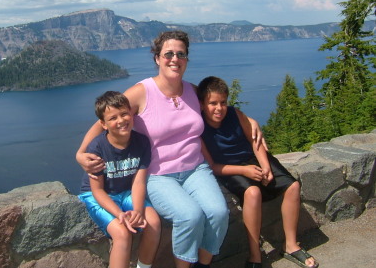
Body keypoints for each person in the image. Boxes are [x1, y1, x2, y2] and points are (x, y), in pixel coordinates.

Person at [77, 31, 263, 268]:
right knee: (189, 216)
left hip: (196, 169)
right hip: (157, 175)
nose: (175, 59)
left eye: (181, 54)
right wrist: (81, 153)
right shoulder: (141, 92)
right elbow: (105, 119)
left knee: (218, 213)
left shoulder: (193, 91)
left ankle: (203, 264)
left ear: (186, 59)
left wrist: (248, 121)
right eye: (168, 54)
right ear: (157, 58)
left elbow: (218, 106)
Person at [197, 76, 319, 268]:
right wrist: (244, 171)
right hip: (230, 168)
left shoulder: (234, 114)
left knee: (293, 186)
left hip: (253, 159)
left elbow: (255, 140)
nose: (219, 108)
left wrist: (266, 166)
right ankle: (255, 256)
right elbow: (213, 166)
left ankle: (291, 245)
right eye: (212, 103)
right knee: (252, 193)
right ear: (202, 104)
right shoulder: (199, 128)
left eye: (222, 102)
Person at [77, 91, 161, 268]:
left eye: (124, 114)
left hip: (126, 192)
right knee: (122, 234)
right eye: (113, 118)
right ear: (103, 124)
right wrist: (119, 214)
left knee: (153, 222)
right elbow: (97, 190)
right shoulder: (98, 147)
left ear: (132, 113)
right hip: (98, 196)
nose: (121, 121)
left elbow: (138, 181)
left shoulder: (142, 142)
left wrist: (137, 211)